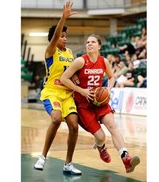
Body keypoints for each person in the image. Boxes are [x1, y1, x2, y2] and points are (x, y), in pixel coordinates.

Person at [60, 34, 140, 173]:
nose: (89, 44)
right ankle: (101, 147)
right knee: (101, 137)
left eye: (92, 42)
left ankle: (126, 158)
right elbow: (64, 78)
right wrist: (82, 91)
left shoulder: (104, 62)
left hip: (100, 101)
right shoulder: (80, 61)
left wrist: (108, 90)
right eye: (87, 42)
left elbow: (111, 77)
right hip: (84, 105)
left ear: (99, 46)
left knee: (112, 125)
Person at [33, 1, 82, 175]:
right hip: (52, 92)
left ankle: (68, 164)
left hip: (67, 95)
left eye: (65, 36)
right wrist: (63, 17)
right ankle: (43, 157)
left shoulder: (70, 54)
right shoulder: (50, 50)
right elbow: (54, 38)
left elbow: (73, 74)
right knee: (55, 118)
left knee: (74, 127)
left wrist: (77, 81)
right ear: (55, 38)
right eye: (62, 35)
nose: (64, 38)